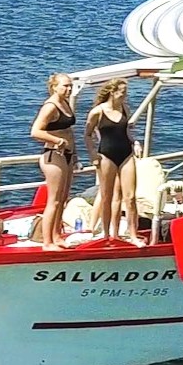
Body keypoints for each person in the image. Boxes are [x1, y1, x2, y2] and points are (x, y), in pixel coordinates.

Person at [85, 78, 142, 245]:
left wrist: (135, 142)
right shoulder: (98, 111)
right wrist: (92, 154)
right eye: (122, 92)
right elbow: (87, 134)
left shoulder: (125, 108)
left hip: (126, 153)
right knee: (106, 196)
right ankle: (106, 234)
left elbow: (126, 132)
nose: (125, 95)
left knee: (130, 197)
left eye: (126, 92)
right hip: (106, 155)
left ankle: (133, 234)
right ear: (113, 92)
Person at [29, 73, 78, 252]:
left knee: (63, 198)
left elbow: (69, 131)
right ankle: (47, 241)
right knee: (54, 200)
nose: (69, 89)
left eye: (70, 86)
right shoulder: (50, 106)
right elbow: (35, 131)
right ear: (54, 87)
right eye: (65, 86)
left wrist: (75, 155)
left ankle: (57, 235)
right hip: (53, 154)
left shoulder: (66, 103)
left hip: (67, 154)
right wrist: (57, 141)